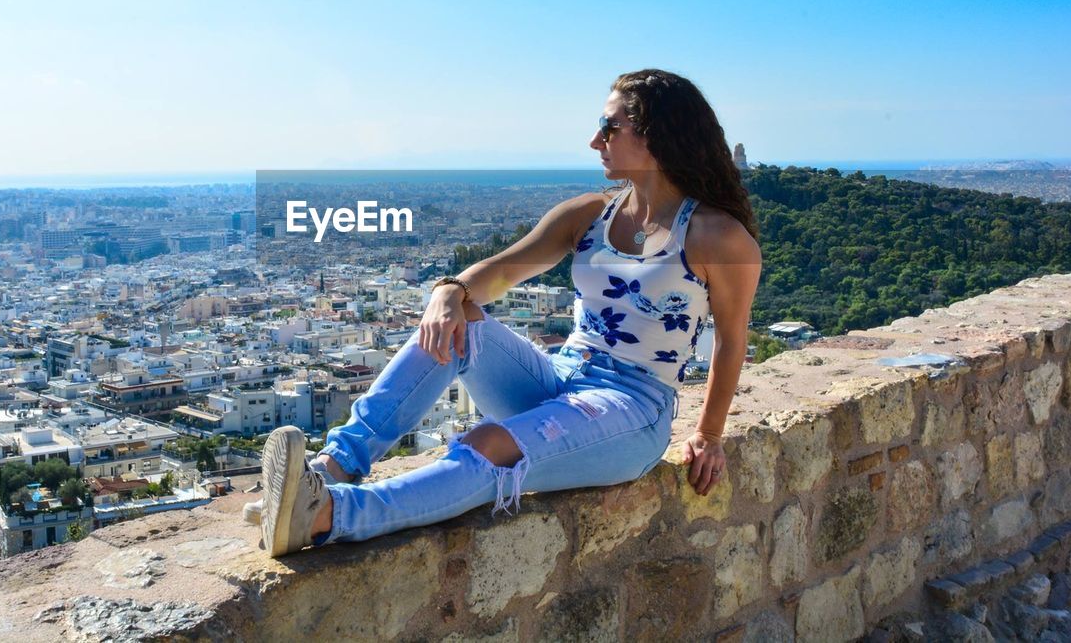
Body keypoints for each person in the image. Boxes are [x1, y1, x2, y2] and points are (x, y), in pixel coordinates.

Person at [257, 69, 762, 557]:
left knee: (490, 443)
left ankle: (332, 516)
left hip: (633, 404)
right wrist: (449, 292)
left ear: (659, 135)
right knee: (461, 325)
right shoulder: (589, 215)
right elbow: (501, 273)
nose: (595, 140)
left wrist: (709, 435)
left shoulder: (717, 236)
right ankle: (329, 471)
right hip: (562, 373)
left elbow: (731, 340)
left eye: (610, 127)